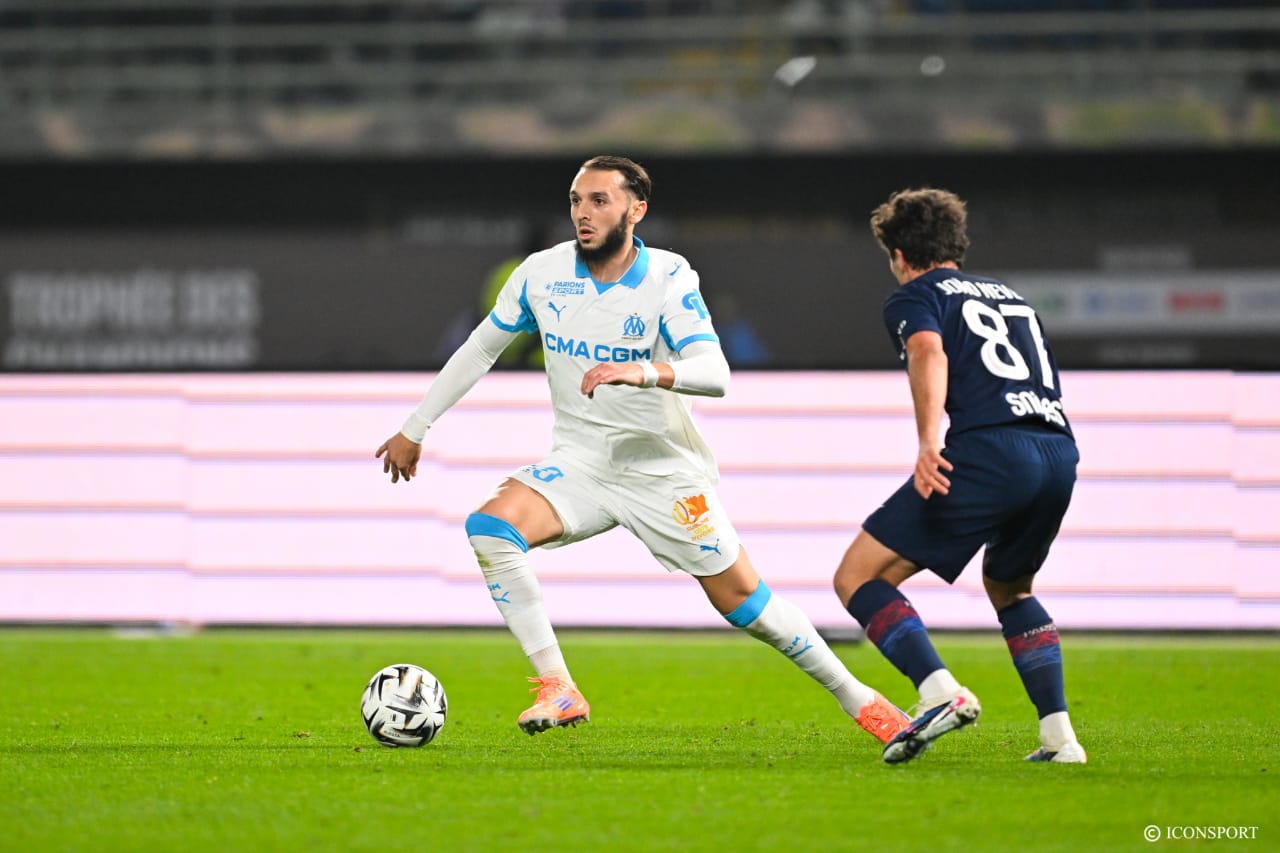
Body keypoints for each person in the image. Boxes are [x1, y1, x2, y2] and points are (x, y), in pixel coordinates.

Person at [377, 154, 908, 746]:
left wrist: (645, 371)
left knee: (746, 604)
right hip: (581, 463)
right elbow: (481, 349)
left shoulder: (668, 278)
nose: (583, 213)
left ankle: (862, 700)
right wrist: (416, 426)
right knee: (490, 529)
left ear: (636, 210)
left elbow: (715, 373)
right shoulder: (540, 274)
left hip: (661, 472)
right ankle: (558, 687)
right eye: (576, 200)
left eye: (599, 200)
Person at [832, 187, 1086, 765]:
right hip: (1058, 452)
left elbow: (928, 350)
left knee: (857, 575)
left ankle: (939, 691)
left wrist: (928, 442)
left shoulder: (915, 295)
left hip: (992, 452)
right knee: (1012, 588)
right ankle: (1060, 739)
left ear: (899, 255)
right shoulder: (1014, 299)